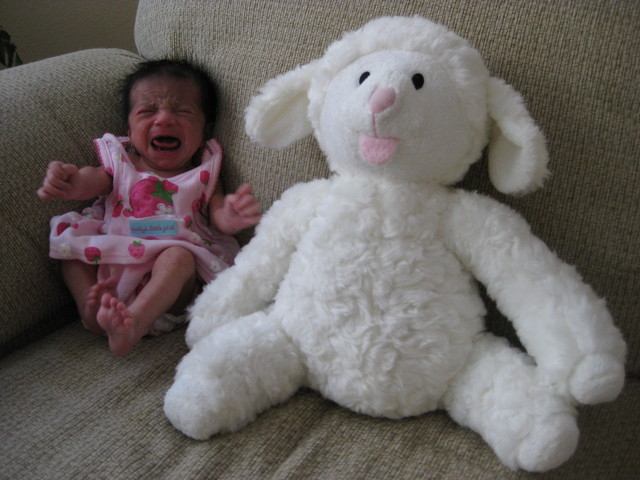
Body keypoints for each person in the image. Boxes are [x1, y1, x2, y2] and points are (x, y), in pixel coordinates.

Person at [37, 59, 261, 357]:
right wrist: (70, 182)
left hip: (169, 288)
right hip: (111, 262)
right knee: (70, 243)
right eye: (147, 111)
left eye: (182, 110)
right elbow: (90, 181)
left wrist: (231, 217)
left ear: (205, 128)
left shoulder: (203, 173)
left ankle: (135, 322)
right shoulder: (121, 165)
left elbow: (218, 217)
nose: (164, 119)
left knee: (179, 259)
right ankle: (91, 313)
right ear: (128, 128)